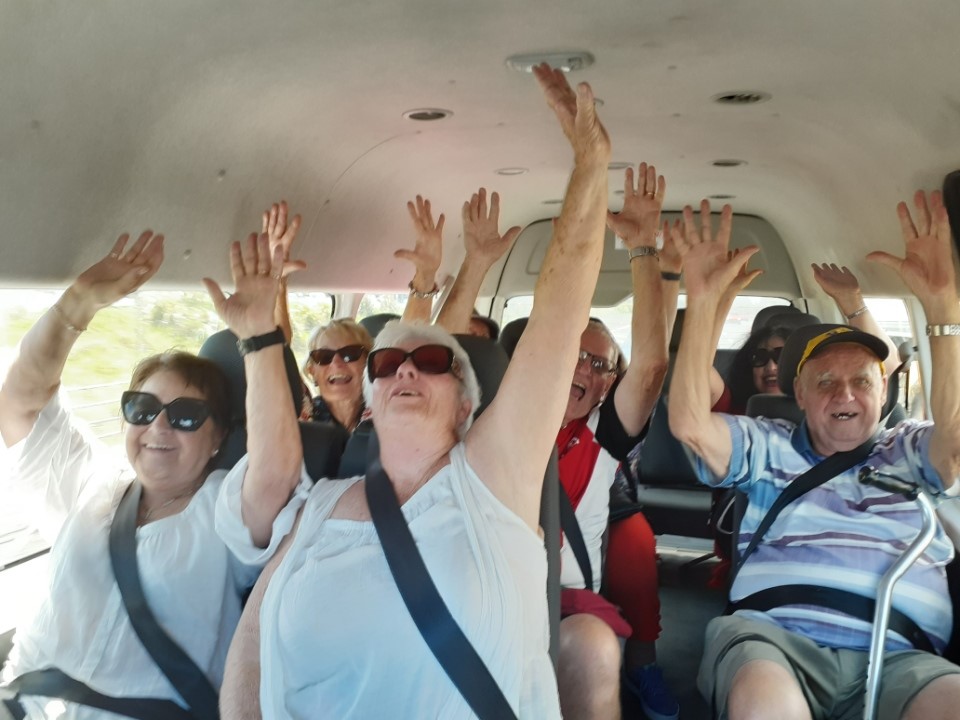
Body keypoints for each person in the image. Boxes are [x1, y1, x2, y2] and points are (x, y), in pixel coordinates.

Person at [207, 63, 613, 719]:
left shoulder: (495, 482)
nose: (406, 369)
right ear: (369, 402)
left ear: (467, 406)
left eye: (432, 360)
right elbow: (253, 641)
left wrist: (590, 168)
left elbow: (560, 312)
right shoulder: (318, 504)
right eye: (390, 361)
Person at [668, 191, 960, 720]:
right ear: (799, 395)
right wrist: (702, 301)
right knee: (764, 700)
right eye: (824, 381)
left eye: (861, 381)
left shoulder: (910, 447)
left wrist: (942, 307)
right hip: (775, 642)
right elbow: (689, 421)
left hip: (901, 658)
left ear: (883, 390)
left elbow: (957, 443)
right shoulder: (767, 441)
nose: (844, 395)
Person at [0, 231, 266, 718]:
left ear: (218, 439)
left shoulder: (229, 506)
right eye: (141, 408)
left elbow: (275, 475)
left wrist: (261, 339)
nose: (158, 426)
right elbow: (20, 401)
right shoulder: (91, 482)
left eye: (186, 415)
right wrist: (76, 304)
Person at [301, 318, 373, 429]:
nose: (336, 363)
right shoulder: (302, 423)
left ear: (368, 363)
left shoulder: (385, 417)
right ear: (312, 371)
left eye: (349, 353)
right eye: (324, 356)